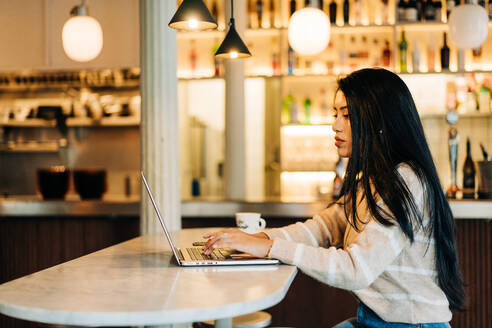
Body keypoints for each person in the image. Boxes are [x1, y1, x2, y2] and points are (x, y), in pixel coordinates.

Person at [202, 68, 465, 327]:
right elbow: (321, 229)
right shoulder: (369, 182)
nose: (335, 125)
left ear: (379, 121)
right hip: (375, 321)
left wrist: (269, 248)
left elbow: (355, 269)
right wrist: (256, 240)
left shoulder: (406, 180)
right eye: (335, 114)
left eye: (347, 115)